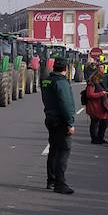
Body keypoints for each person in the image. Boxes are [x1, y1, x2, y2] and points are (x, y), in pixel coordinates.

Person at [41, 60, 76, 195]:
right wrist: (70, 122)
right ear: (66, 68)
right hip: (61, 120)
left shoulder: (46, 81)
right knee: (64, 151)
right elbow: (66, 103)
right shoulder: (61, 82)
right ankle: (60, 183)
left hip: (50, 117)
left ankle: (51, 180)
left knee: (54, 150)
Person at [85, 66, 108, 144]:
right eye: (100, 78)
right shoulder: (92, 84)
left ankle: (100, 137)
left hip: (101, 106)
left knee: (103, 123)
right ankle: (94, 139)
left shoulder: (98, 83)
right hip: (94, 106)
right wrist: (101, 93)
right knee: (94, 123)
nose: (101, 80)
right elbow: (89, 95)